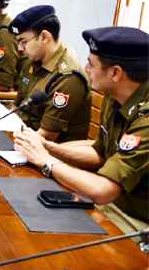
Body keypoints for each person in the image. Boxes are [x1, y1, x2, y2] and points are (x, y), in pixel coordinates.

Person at [14, 26, 149, 233]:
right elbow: (100, 154)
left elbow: (103, 190)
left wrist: (46, 161)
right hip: (113, 203)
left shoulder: (145, 118)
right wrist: (47, 147)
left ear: (115, 73)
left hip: (136, 218)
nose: (85, 69)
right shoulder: (116, 95)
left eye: (91, 64)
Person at [9, 5, 90, 142]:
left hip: (49, 149)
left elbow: (47, 136)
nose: (20, 48)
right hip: (23, 135)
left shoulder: (68, 77)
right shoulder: (32, 60)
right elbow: (18, 107)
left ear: (44, 37)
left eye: (23, 42)